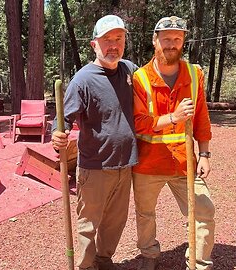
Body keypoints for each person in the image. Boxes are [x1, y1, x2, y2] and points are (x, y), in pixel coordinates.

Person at [52, 15, 138, 270]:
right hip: (95, 166)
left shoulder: (130, 71)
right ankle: (86, 266)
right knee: (88, 223)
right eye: (107, 39)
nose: (113, 45)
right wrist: (58, 133)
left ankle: (104, 260)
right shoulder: (83, 80)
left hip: (126, 164)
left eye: (118, 39)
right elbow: (62, 118)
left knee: (115, 221)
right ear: (94, 45)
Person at [132, 16, 215, 270]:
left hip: (184, 162)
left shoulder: (194, 73)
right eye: (166, 38)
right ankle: (149, 255)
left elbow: (201, 115)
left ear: (183, 41)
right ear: (155, 40)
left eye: (177, 39)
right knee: (145, 215)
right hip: (148, 162)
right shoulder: (139, 78)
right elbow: (137, 122)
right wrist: (173, 117)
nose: (172, 44)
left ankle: (199, 262)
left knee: (204, 212)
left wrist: (205, 154)